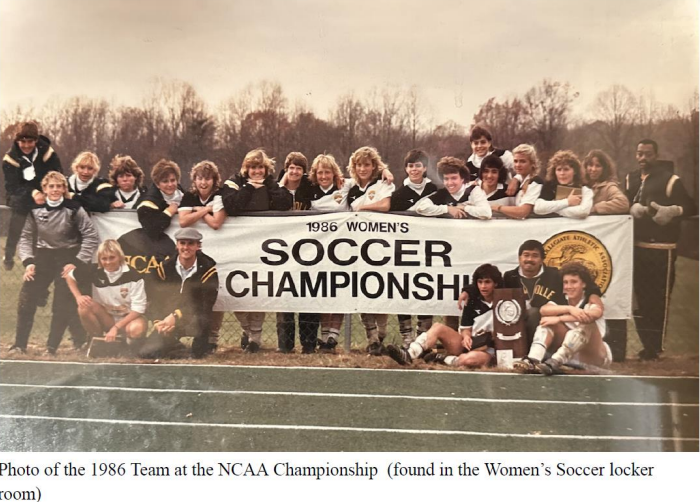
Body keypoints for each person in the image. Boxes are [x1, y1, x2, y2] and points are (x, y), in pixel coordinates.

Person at [10, 171, 99, 354]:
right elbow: (25, 238)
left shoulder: (74, 209)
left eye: (59, 186)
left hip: (68, 257)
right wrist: (28, 262)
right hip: (43, 257)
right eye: (51, 186)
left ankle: (51, 347)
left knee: (62, 303)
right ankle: (19, 345)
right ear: (44, 189)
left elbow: (91, 236)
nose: (55, 190)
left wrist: (76, 262)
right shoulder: (34, 209)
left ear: (64, 189)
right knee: (27, 298)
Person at [625, 139, 695, 360]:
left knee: (659, 299)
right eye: (639, 154)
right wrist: (630, 206)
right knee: (639, 299)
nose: (643, 158)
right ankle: (647, 345)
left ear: (656, 155)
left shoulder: (671, 179)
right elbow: (620, 202)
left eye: (647, 154)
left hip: (662, 248)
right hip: (636, 247)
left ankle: (656, 346)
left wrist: (673, 210)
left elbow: (692, 207)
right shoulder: (630, 178)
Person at [223, 149, 293, 353]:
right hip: (239, 246)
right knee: (236, 290)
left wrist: (268, 186)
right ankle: (247, 330)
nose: (257, 171)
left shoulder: (271, 183)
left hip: (263, 248)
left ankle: (256, 338)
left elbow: (285, 203)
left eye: (260, 167)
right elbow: (231, 206)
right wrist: (249, 188)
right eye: (253, 167)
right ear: (246, 168)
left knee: (258, 291)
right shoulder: (235, 182)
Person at [385, 264, 503, 368]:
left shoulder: (505, 301)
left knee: (468, 359)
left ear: (496, 283)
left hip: (488, 350)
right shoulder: (472, 300)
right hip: (469, 344)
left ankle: (442, 359)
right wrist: (466, 337)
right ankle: (410, 354)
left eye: (487, 282)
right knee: (437, 327)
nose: (483, 286)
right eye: (480, 282)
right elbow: (466, 328)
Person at [459, 240, 565, 344]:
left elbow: (565, 296)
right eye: (526, 255)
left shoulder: (555, 275)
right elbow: (489, 286)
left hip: (549, 320)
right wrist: (467, 291)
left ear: (542, 259)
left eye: (535, 256)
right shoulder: (510, 277)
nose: (529, 259)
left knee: (533, 312)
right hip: (518, 322)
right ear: (519, 258)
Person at [514, 262, 612, 375]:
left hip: (595, 354)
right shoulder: (562, 299)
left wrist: (559, 319)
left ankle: (556, 361)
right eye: (565, 282)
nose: (569, 286)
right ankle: (533, 359)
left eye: (574, 282)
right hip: (571, 351)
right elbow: (544, 310)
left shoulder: (590, 298)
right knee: (547, 323)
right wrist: (569, 309)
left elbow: (594, 314)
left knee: (586, 324)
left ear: (584, 284)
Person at [345, 146, 396, 354]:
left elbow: (385, 205)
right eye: (359, 165)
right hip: (356, 248)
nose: (363, 168)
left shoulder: (383, 184)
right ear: (354, 167)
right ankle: (372, 338)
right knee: (361, 291)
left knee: (380, 290)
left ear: (374, 166)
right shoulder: (350, 187)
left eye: (367, 164)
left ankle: (382, 333)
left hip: (380, 246)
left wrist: (363, 210)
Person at [139, 228, 219, 359]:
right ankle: (176, 346)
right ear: (177, 245)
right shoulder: (164, 268)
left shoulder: (207, 270)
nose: (186, 247)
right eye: (182, 243)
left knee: (198, 356)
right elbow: (154, 300)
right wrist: (159, 322)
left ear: (198, 246)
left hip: (194, 319)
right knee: (147, 353)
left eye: (190, 243)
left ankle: (197, 347)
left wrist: (176, 316)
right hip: (168, 320)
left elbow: (205, 304)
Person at [64, 239, 147, 351]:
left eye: (112, 257)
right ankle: (97, 342)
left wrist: (116, 328)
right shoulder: (94, 271)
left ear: (120, 257)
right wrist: (78, 297)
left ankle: (128, 347)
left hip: (127, 319)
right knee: (84, 307)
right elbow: (69, 276)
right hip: (107, 317)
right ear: (99, 259)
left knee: (136, 329)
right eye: (104, 259)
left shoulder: (134, 276)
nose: (108, 262)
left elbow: (138, 309)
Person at [275, 152, 320, 353]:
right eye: (291, 167)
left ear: (304, 172)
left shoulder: (309, 189)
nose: (294, 172)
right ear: (286, 169)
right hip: (282, 251)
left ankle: (308, 343)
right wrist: (282, 185)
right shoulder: (275, 188)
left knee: (308, 295)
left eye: (299, 168)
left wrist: (385, 170)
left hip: (307, 250)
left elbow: (339, 180)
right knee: (284, 297)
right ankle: (285, 345)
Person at [2, 121, 62, 270]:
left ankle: (41, 259)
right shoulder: (10, 158)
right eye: (23, 142)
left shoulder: (47, 152)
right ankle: (9, 255)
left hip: (44, 192)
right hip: (19, 194)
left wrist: (46, 191)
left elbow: (57, 174)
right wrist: (32, 192)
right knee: (18, 216)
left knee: (42, 225)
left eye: (30, 141)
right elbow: (12, 186)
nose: (27, 145)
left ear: (36, 140)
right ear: (17, 141)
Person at [414, 156, 491, 219]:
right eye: (446, 179)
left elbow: (486, 212)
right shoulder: (442, 193)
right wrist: (448, 209)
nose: (450, 183)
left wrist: (464, 208)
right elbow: (421, 208)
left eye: (454, 178)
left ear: (462, 178)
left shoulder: (474, 190)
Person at [534, 150, 593, 218]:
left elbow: (583, 212)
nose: (562, 173)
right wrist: (567, 202)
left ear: (575, 171)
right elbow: (538, 208)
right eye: (559, 170)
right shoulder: (549, 186)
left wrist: (551, 207)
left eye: (566, 169)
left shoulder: (585, 188)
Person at [492, 143, 543, 220]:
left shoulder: (535, 182)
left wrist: (498, 207)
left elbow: (523, 212)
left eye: (522, 161)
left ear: (532, 163)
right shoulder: (520, 181)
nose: (518, 165)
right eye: (515, 161)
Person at [136, 159, 184, 238]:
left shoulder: (182, 193)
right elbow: (151, 230)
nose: (170, 184)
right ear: (157, 184)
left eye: (173, 180)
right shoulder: (148, 202)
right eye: (165, 181)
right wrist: (168, 212)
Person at [178, 160, 226, 230]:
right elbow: (183, 222)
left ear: (214, 180)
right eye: (200, 179)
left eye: (207, 179)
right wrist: (205, 209)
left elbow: (215, 224)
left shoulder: (220, 195)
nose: (203, 182)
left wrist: (196, 210)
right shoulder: (189, 195)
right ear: (194, 180)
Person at [583, 150, 630, 215]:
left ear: (604, 169)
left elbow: (623, 203)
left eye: (598, 166)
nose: (593, 169)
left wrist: (595, 208)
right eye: (590, 165)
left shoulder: (608, 187)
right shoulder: (581, 186)